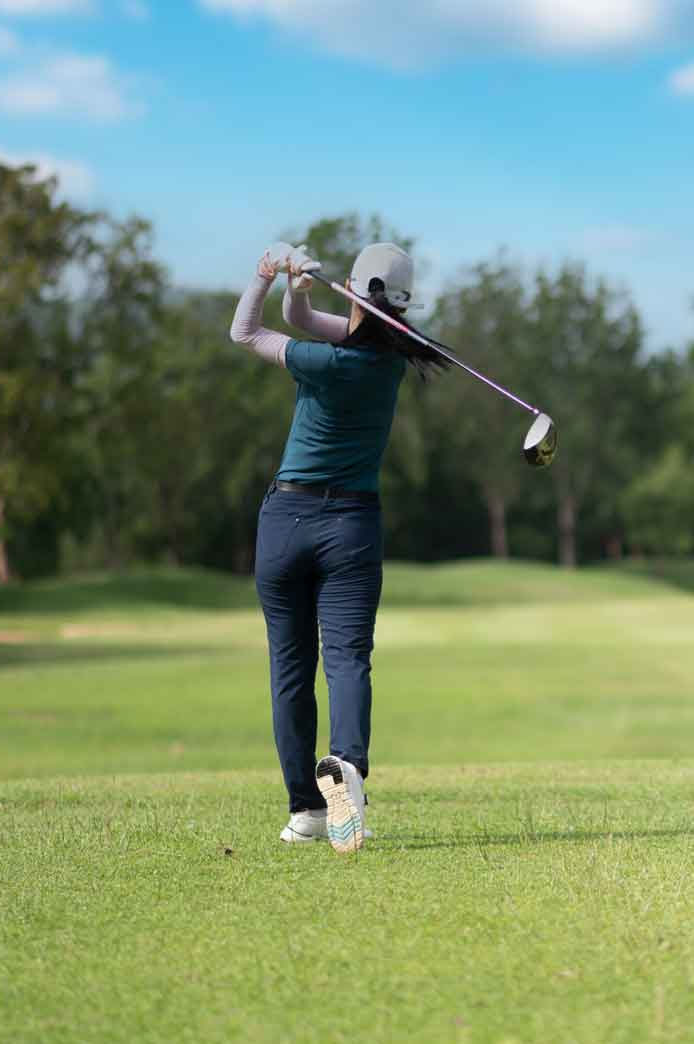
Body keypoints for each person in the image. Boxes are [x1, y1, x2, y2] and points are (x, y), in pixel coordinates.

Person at [228, 240, 441, 853]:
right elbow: (307, 320)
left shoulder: (325, 363)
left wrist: (267, 272)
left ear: (353, 286)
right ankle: (346, 762)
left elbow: (246, 333)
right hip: (351, 524)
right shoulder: (393, 358)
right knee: (348, 658)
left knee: (290, 670)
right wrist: (299, 288)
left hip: (286, 521)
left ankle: (306, 809)